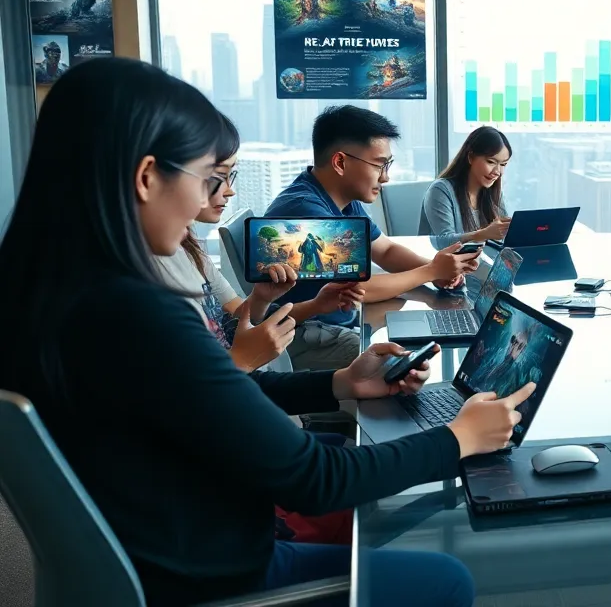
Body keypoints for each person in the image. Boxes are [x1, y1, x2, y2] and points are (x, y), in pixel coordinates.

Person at [0, 58, 536, 605]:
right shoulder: (136, 313)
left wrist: (340, 384)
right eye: (207, 178)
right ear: (146, 178)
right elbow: (315, 480)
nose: (207, 200)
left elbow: (212, 392)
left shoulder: (53, 289)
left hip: (168, 534)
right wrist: (458, 439)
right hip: (213, 569)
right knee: (448, 578)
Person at [266, 105, 482, 370]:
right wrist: (431, 271)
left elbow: (385, 250)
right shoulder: (305, 211)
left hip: (335, 323)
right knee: (401, 366)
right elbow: (358, 289)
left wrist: (437, 271)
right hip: (302, 334)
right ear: (340, 162)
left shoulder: (342, 200)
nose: (386, 177)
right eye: (379, 165)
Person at [157, 140, 365, 373]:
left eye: (230, 176)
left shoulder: (190, 249)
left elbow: (238, 319)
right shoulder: (150, 275)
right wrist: (242, 361)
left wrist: (264, 299)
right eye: (219, 176)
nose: (229, 190)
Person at [422, 125, 512, 242]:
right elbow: (444, 241)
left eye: (503, 164)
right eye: (491, 162)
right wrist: (484, 234)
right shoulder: (441, 190)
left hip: (485, 255)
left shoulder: (495, 194)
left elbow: (504, 241)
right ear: (470, 157)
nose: (497, 172)